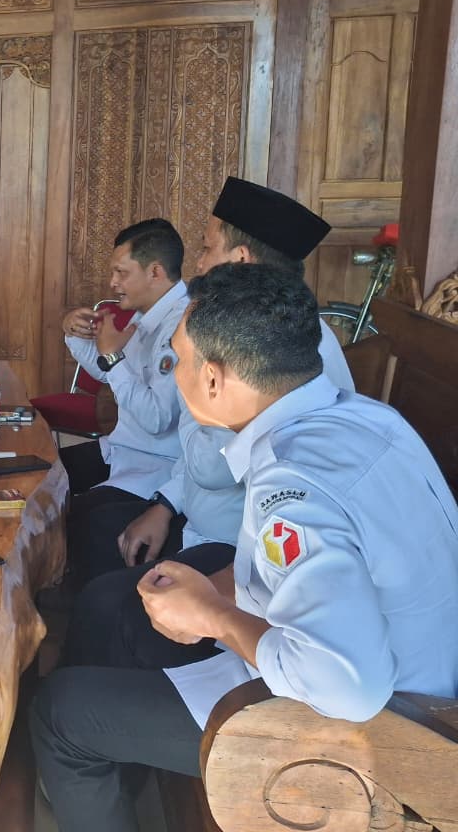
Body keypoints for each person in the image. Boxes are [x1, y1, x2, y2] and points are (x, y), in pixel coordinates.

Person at [31, 263, 458, 832]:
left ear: (212, 379)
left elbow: (346, 687)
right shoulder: (367, 419)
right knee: (114, 605)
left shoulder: (294, 482)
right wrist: (213, 593)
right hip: (418, 679)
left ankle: (89, 764)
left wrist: (214, 616)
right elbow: (330, 568)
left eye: (179, 360)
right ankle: (115, 770)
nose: (176, 372)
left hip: (383, 733)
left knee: (60, 713)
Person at [63, 178, 355, 669]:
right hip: (205, 519)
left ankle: (97, 702)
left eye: (205, 248)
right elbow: (201, 451)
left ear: (240, 260)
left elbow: (209, 460)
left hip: (247, 546)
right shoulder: (250, 327)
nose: (197, 265)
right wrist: (165, 505)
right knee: (102, 554)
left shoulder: (279, 344)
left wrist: (188, 398)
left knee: (111, 606)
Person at [58, 218, 189, 587]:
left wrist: (113, 358)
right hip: (123, 448)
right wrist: (75, 333)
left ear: (155, 272)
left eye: (121, 272)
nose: (113, 283)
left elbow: (157, 419)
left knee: (73, 515)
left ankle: (72, 596)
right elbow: (109, 374)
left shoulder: (181, 326)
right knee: (45, 477)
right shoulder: (147, 316)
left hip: (158, 463)